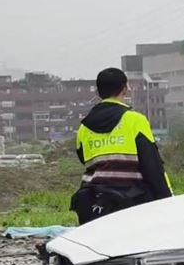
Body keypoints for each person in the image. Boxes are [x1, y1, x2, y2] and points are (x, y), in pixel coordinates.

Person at [71, 67, 173, 225]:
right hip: (132, 202)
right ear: (125, 89)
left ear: (98, 92)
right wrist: (167, 202)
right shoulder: (135, 120)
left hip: (95, 203)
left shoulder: (84, 128)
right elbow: (152, 166)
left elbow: (83, 159)